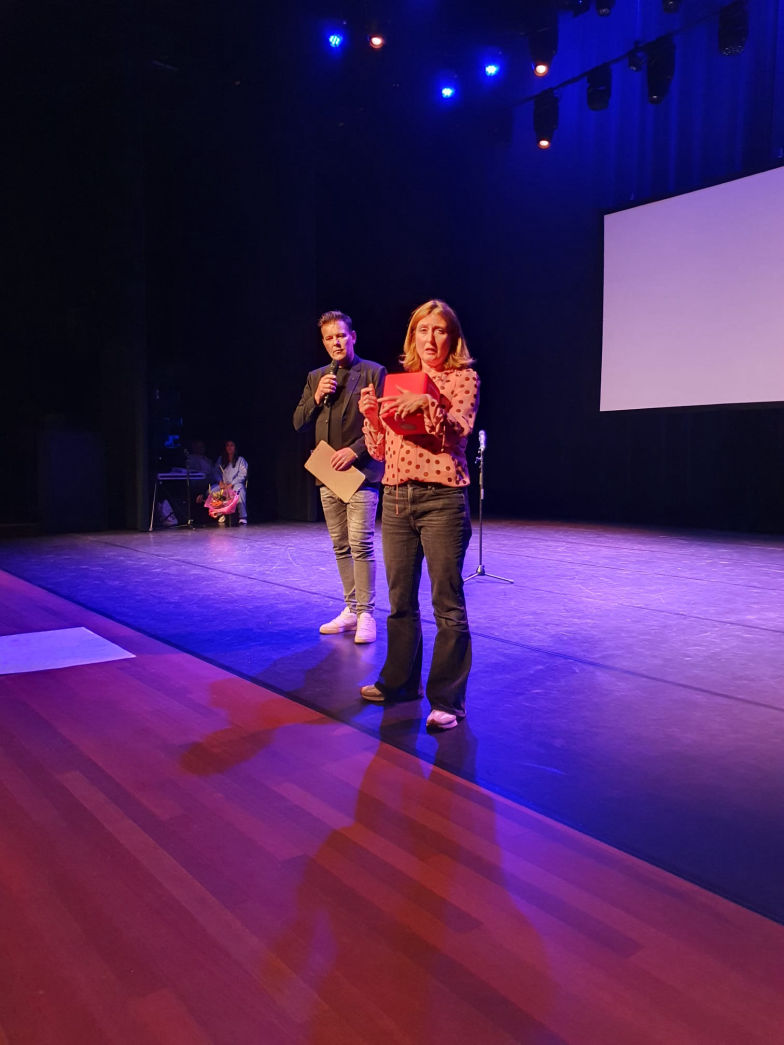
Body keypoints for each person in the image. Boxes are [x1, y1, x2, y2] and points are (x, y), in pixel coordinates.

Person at [358, 299, 479, 730]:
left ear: (452, 336)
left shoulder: (463, 378)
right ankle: (399, 682)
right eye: (423, 330)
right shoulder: (398, 380)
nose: (431, 338)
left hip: (442, 499)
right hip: (395, 499)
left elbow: (456, 431)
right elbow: (379, 450)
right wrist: (372, 416)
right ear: (413, 336)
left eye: (440, 330)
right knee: (399, 602)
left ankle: (447, 699)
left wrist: (426, 404)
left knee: (447, 602)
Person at [293, 310, 387, 644]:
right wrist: (317, 396)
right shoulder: (316, 377)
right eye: (329, 337)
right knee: (341, 545)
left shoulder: (374, 372)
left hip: (360, 472)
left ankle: (367, 614)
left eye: (341, 335)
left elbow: (383, 424)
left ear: (353, 337)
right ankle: (350, 608)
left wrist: (355, 451)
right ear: (323, 342)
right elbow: (298, 422)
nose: (336, 341)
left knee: (361, 543)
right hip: (327, 473)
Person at [211, 439, 248, 525]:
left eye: (232, 445)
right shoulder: (221, 459)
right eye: (228, 445)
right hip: (224, 485)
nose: (229, 447)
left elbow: (243, 474)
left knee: (240, 491)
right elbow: (215, 471)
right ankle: (220, 513)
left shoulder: (240, 460)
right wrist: (220, 482)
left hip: (235, 484)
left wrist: (232, 484)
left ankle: (242, 516)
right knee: (212, 491)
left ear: (235, 447)